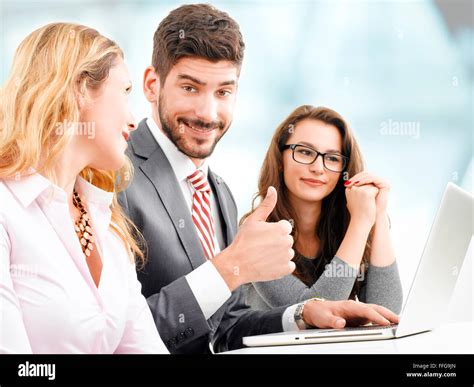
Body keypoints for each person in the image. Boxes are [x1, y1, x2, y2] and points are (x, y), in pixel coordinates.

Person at [119, 4, 399, 354]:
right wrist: (230, 268)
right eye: (190, 88)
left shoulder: (217, 191)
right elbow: (117, 334)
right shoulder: (115, 177)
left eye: (223, 92)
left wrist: (303, 313)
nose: (208, 113)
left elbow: (227, 328)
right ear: (151, 85)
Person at [0, 23, 167, 354]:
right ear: (81, 89)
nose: (134, 120)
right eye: (125, 92)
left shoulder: (107, 224)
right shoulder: (7, 210)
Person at [242, 105, 403, 314]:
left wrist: (377, 215)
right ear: (280, 159)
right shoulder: (257, 234)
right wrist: (361, 223)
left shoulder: (351, 226)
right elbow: (312, 314)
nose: (318, 168)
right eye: (305, 152)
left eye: (333, 158)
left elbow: (386, 310)